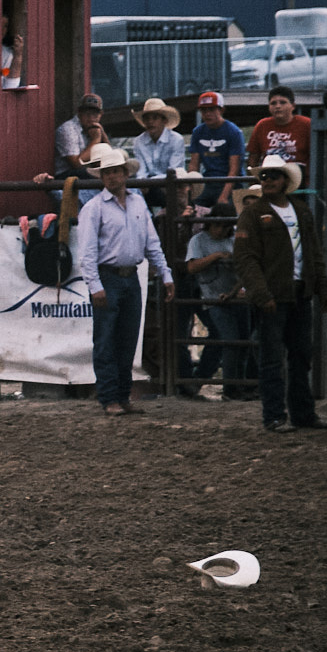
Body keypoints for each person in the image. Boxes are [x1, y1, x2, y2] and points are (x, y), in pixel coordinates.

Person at [232, 155, 327, 434]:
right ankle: (275, 416)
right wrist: (261, 293)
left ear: (284, 180)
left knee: (301, 355)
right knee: (272, 358)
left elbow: (313, 252)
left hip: (299, 291)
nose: (267, 181)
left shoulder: (301, 211)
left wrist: (322, 286)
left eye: (273, 176)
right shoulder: (253, 214)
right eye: (264, 176)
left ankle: (302, 413)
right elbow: (245, 258)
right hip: (274, 294)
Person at [73, 145, 175, 417]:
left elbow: (152, 242)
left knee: (127, 339)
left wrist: (165, 272)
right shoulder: (94, 208)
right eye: (106, 172)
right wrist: (95, 285)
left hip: (130, 276)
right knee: (107, 339)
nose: (111, 177)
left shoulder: (138, 203)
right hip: (109, 276)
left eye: (115, 171)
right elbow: (87, 252)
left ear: (125, 174)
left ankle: (120, 395)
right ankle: (110, 397)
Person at [184, 211, 248, 399]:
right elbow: (191, 267)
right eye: (216, 225)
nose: (220, 230)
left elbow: (246, 266)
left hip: (234, 295)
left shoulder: (234, 240)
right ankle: (230, 387)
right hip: (212, 297)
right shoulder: (199, 241)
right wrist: (216, 256)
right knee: (229, 340)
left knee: (240, 341)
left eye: (224, 226)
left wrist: (239, 288)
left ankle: (234, 385)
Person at [185, 91, 245, 217]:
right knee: (189, 210)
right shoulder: (198, 132)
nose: (207, 114)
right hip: (208, 182)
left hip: (231, 184)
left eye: (212, 109)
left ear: (221, 110)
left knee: (226, 211)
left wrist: (224, 196)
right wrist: (191, 191)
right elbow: (194, 164)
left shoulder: (233, 132)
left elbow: (234, 169)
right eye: (204, 110)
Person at [126, 97, 188, 216]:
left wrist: (148, 182)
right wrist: (142, 182)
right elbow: (141, 169)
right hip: (148, 186)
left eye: (155, 118)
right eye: (147, 119)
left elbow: (174, 170)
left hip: (170, 185)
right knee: (133, 193)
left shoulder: (176, 140)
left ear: (164, 120)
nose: (150, 122)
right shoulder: (138, 141)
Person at [35, 93, 107, 184]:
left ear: (101, 115)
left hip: (85, 173)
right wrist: (95, 140)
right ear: (79, 113)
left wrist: (103, 135)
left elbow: (109, 159)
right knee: (99, 176)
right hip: (65, 175)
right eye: (87, 114)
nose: (91, 118)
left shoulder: (95, 129)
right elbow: (77, 164)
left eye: (95, 115)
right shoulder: (68, 129)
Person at [246, 86, 311, 173]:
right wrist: (253, 178)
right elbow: (253, 158)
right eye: (273, 103)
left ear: (293, 106)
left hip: (300, 177)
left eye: (283, 102)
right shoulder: (262, 126)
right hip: (270, 177)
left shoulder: (306, 124)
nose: (278, 106)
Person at [0, 14, 26, 90]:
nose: (2, 30)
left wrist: (18, 55)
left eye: (5, 26)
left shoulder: (7, 54)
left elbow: (11, 86)